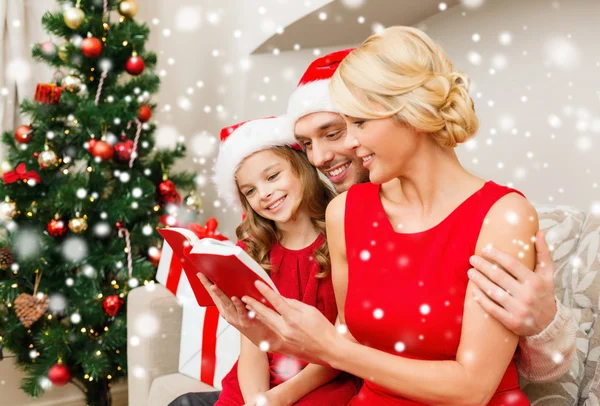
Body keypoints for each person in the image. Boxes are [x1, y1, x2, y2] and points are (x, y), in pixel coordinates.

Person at [171, 42, 576, 406]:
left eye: (356, 125)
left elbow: (473, 388)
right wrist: (269, 334)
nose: (344, 145)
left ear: (411, 113)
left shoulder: (502, 214)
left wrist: (329, 346)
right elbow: (352, 337)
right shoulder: (345, 211)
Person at [194, 116, 360, 406]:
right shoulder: (252, 251)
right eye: (250, 191)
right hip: (259, 384)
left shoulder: (342, 234)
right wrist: (257, 399)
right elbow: (252, 348)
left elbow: (342, 347)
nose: (265, 194)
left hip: (323, 380)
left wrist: (277, 399)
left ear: (301, 168)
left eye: (272, 177)